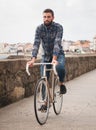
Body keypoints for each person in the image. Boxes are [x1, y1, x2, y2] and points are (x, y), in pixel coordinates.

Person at [27, 8, 67, 96]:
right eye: (44, 17)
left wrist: (54, 58)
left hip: (58, 55)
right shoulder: (39, 28)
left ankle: (61, 83)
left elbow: (57, 43)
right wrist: (33, 59)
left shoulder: (58, 27)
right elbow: (36, 43)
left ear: (53, 17)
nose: (46, 19)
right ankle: (45, 103)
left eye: (48, 17)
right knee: (44, 78)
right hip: (45, 56)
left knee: (59, 67)